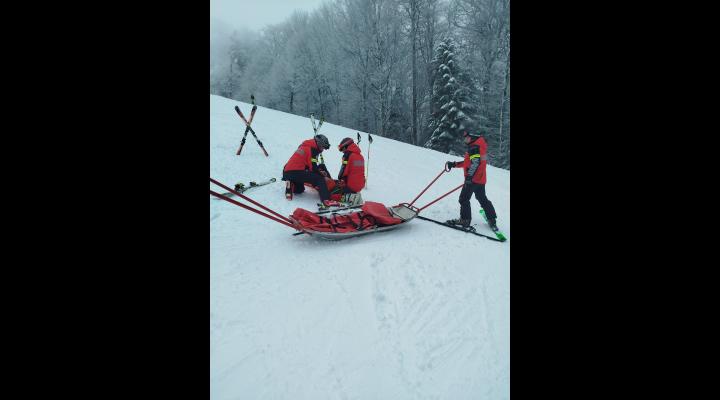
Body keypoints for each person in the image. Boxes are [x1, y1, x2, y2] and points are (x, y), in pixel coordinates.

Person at [445, 131, 499, 230]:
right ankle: (492, 219)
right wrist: (455, 164)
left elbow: (475, 163)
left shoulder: (474, 147)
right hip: (480, 179)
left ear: (473, 138)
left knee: (464, 199)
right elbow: (469, 162)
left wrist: (469, 177)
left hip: (472, 180)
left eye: (467, 138)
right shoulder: (480, 146)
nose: (465, 140)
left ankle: (465, 220)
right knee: (482, 198)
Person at [282, 134, 340, 207]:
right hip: (296, 172)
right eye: (323, 147)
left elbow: (307, 165)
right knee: (320, 179)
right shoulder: (313, 150)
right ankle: (326, 200)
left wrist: (317, 171)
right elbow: (313, 168)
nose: (322, 150)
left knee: (300, 190)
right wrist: (321, 174)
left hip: (287, 172)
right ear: (319, 144)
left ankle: (291, 183)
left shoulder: (304, 146)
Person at [334, 137, 365, 204]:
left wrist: (340, 180)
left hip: (351, 186)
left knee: (333, 189)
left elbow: (343, 170)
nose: (342, 151)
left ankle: (347, 197)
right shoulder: (360, 157)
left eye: (342, 149)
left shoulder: (348, 155)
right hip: (360, 185)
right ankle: (354, 195)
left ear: (346, 146)